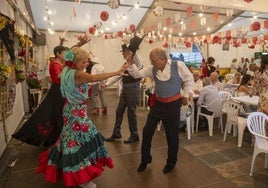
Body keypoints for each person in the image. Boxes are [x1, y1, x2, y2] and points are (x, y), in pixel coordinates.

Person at [36, 47, 130, 188]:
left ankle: (76, 172)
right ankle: (82, 178)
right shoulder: (78, 74)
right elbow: (94, 78)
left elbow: (63, 78)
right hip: (75, 113)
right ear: (76, 61)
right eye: (84, 62)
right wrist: (117, 72)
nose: (87, 64)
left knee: (74, 140)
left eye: (87, 62)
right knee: (76, 142)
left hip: (70, 109)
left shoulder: (66, 70)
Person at [128, 47, 194, 174]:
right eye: (151, 61)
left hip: (173, 105)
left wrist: (186, 94)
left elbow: (189, 79)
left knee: (172, 135)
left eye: (154, 61)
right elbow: (137, 74)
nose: (152, 63)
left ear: (163, 59)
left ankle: (171, 162)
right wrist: (130, 63)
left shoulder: (178, 65)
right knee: (147, 131)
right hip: (158, 105)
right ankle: (145, 159)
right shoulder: (153, 69)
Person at [12, 45, 67, 146]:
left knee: (54, 112)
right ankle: (59, 137)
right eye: (64, 53)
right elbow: (59, 75)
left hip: (60, 89)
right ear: (58, 54)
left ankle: (58, 136)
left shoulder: (61, 63)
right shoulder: (55, 64)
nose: (66, 55)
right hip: (57, 90)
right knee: (55, 112)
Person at [105, 36, 144, 144]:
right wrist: (107, 84)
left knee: (131, 112)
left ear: (128, 51)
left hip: (133, 88)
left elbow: (136, 59)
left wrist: (130, 49)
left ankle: (134, 134)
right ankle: (116, 133)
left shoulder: (136, 59)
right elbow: (118, 75)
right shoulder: (126, 62)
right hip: (126, 89)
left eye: (124, 52)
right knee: (119, 110)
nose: (122, 54)